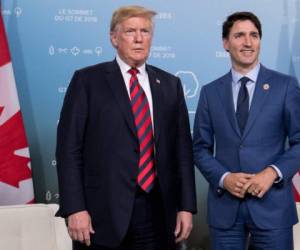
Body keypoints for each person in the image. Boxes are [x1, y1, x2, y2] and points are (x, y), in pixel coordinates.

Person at [56, 5, 197, 250]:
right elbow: (69, 150)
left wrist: (185, 206)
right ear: (114, 38)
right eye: (131, 31)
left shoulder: (170, 85)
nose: (139, 38)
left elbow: (182, 152)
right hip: (101, 215)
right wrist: (75, 208)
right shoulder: (88, 81)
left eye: (145, 31)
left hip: (157, 212)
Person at [193, 11, 300, 250]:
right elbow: (200, 148)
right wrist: (224, 178)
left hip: (272, 210)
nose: (248, 42)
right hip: (226, 212)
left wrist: (272, 173)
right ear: (226, 43)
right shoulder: (210, 93)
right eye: (239, 35)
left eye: (254, 35)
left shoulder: (285, 86)